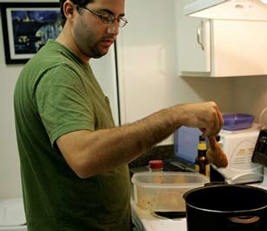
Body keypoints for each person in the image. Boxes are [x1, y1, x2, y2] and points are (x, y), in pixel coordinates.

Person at [13, 0, 224, 230]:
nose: (114, 29)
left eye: (118, 18)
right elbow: (83, 156)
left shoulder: (75, 64)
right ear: (70, 10)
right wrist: (176, 116)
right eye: (104, 16)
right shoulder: (58, 72)